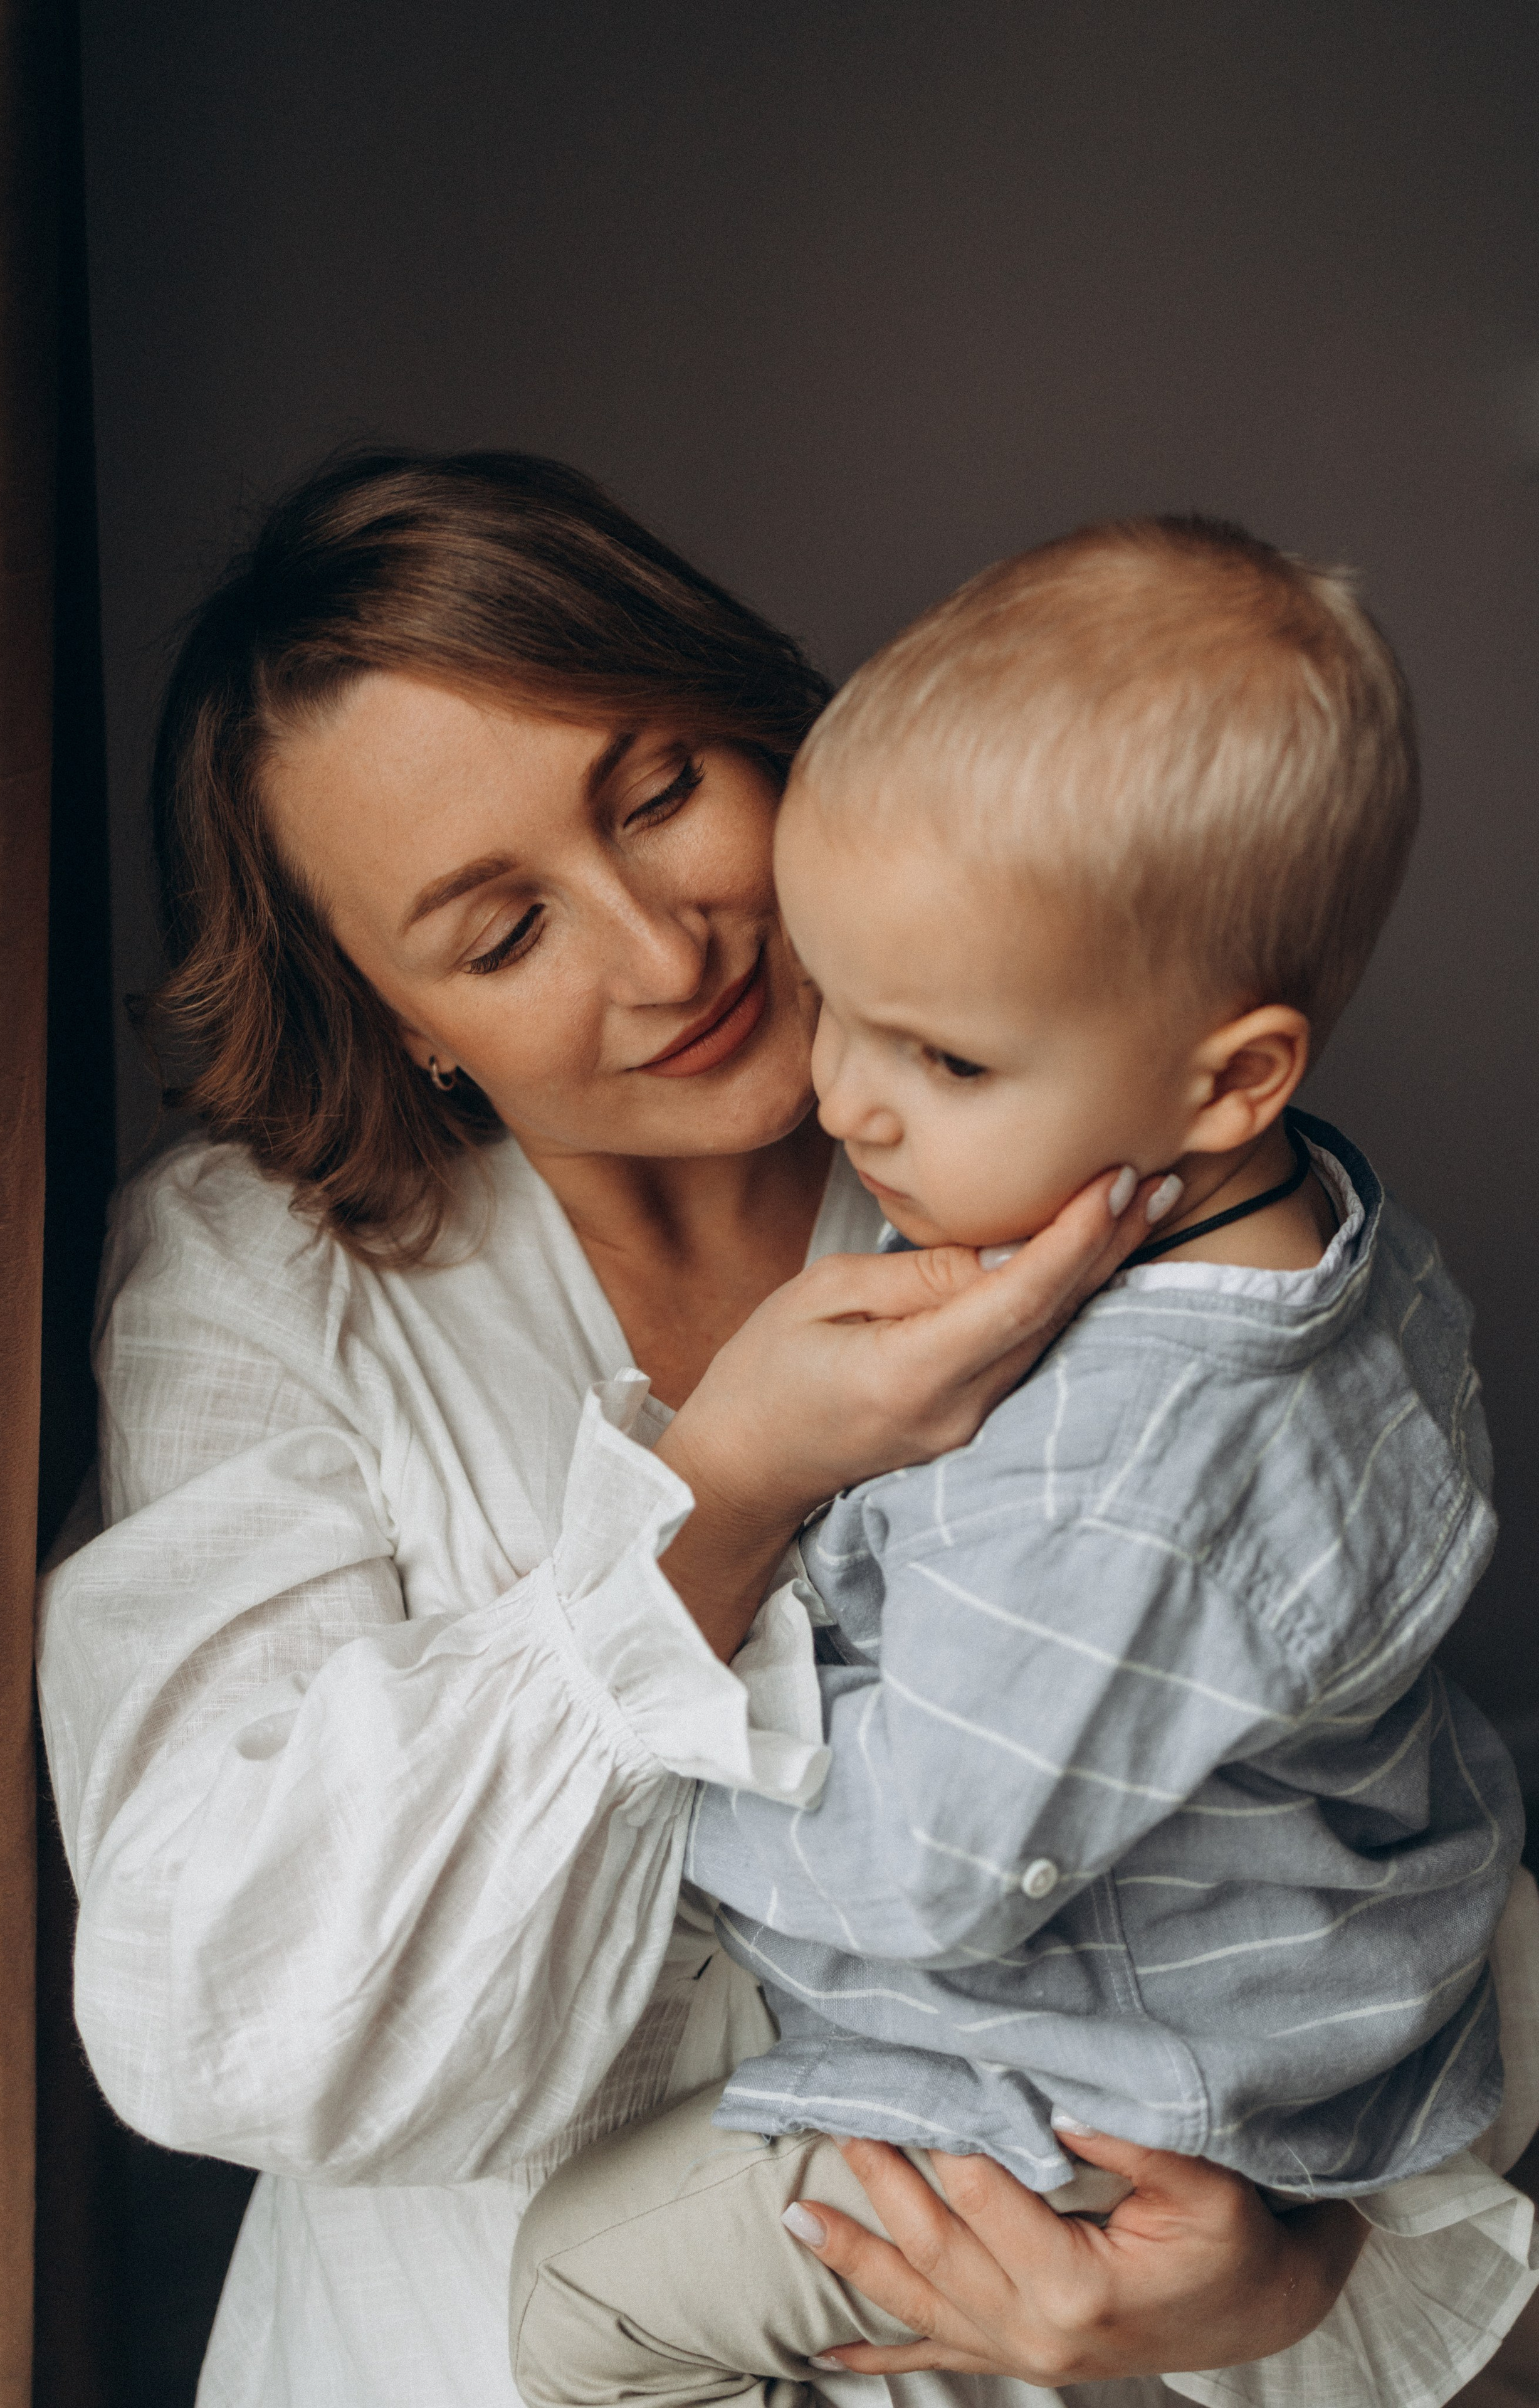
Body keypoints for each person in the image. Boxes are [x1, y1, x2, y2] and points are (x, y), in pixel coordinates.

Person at [35, 454, 1539, 2408]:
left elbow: (1353, 1809)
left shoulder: (1079, 1133)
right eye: (502, 935)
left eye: (661, 791)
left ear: (762, 727)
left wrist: (1297, 2265)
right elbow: (212, 2012)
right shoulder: (266, 1279)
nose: (667, 956)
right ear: (400, 1014)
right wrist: (721, 1493)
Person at [505, 519, 1528, 2408]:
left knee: (576, 2297)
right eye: (836, 1000)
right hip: (1325, 1955)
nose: (845, 1097)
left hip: (1116, 2084)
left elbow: (922, 1877)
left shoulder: (1106, 1474)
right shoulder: (1321, 1240)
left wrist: (652, 1759)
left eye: (948, 1062)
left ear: (1232, 1078)